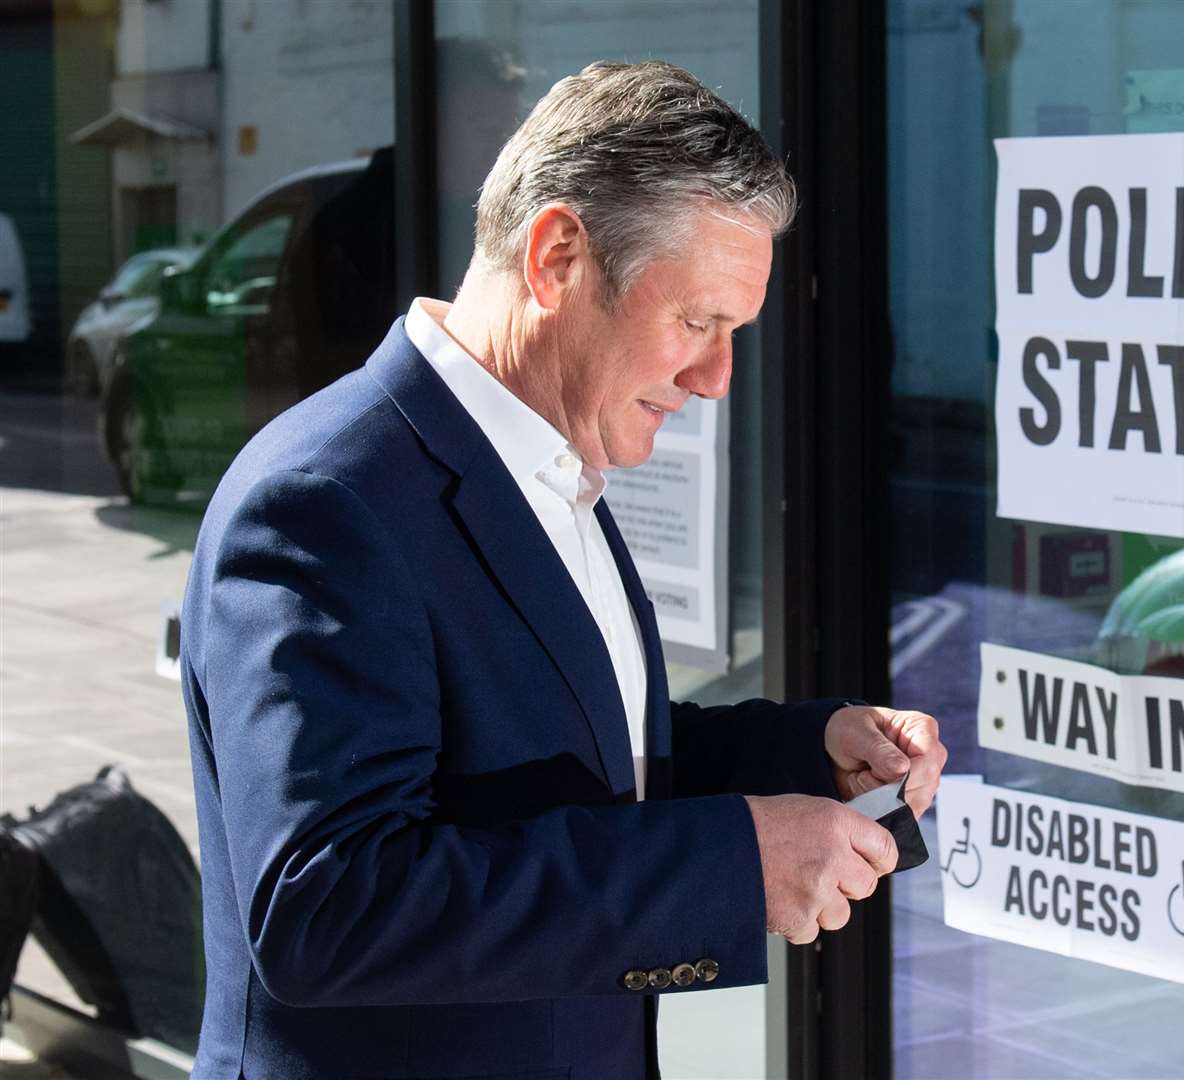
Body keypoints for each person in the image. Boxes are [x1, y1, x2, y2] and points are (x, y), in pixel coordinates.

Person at [180, 60, 947, 1080]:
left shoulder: (547, 456)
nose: (716, 380)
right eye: (696, 323)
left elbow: (571, 765)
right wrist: (731, 864)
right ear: (556, 258)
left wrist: (807, 753)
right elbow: (328, 906)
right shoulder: (326, 500)